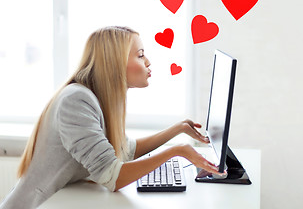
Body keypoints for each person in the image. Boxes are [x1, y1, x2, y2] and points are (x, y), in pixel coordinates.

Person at [0, 26, 222, 209]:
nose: (148, 62)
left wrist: (177, 129)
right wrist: (177, 151)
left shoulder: (95, 98)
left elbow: (126, 150)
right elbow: (113, 178)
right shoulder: (76, 101)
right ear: (115, 62)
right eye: (141, 54)